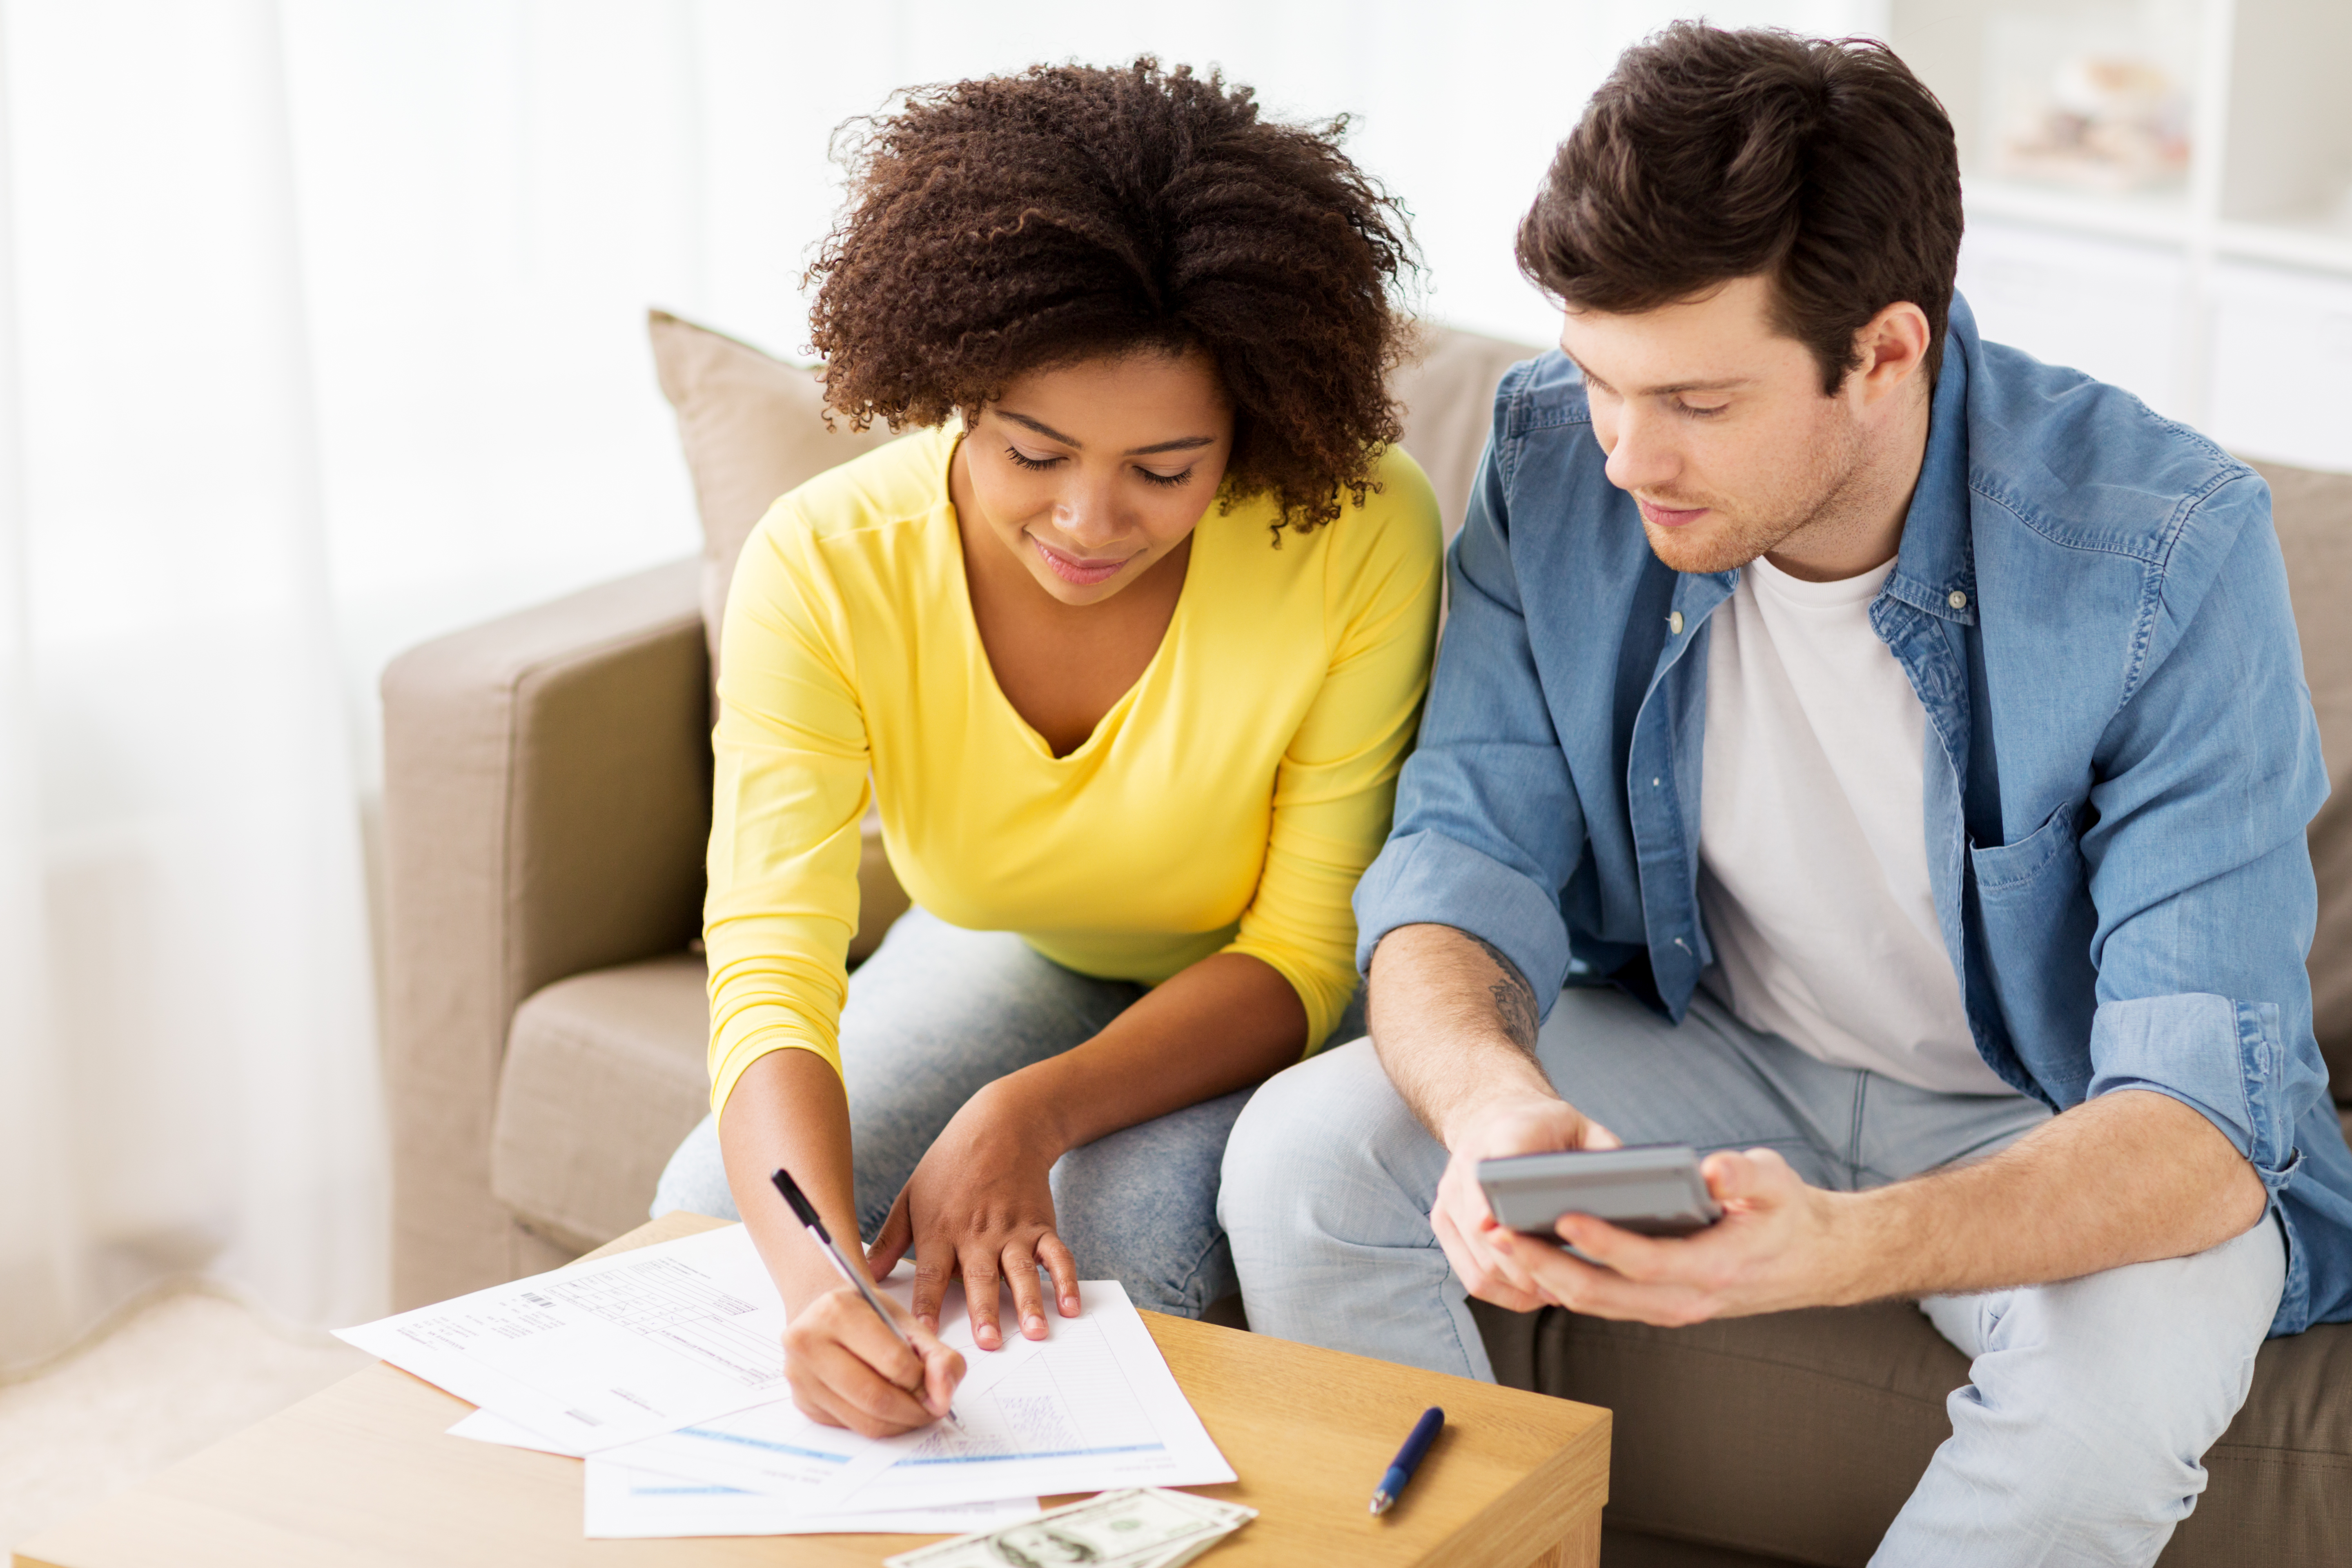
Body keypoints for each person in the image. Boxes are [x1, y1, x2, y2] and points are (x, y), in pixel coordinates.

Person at [1218, 24, 2352, 1564]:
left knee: (2115, 1389)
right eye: (1598, 377)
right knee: (1309, 1155)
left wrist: (1839, 1250)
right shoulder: (1553, 461)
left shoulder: (2165, 546)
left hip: (2052, 1119)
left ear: (1888, 351)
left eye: (1695, 400)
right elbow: (1454, 868)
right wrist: (1494, 1111)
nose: (1625, 454)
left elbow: (2206, 1117)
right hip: (1722, 1064)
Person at [650, 58, 1441, 1441]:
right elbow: (771, 961)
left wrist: (1029, 1112)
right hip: (1022, 949)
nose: (1089, 521)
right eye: (1033, 452)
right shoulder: (829, 566)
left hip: (1268, 998)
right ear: (953, 386)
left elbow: (1308, 954)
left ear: (1247, 429)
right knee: (722, 1231)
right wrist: (820, 1285)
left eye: (1164, 469)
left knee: (1108, 1252)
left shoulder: (1356, 531)